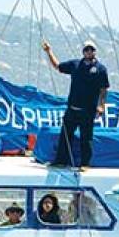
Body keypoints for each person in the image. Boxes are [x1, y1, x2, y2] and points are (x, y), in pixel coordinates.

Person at [41, 39, 109, 170]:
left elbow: (104, 89)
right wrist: (49, 51)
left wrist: (102, 105)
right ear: (83, 51)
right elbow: (58, 66)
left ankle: (85, 164)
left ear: (95, 51)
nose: (89, 52)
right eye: (86, 49)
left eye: (91, 49)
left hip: (87, 110)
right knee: (65, 136)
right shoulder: (75, 65)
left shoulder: (100, 69)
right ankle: (61, 161)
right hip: (72, 108)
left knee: (86, 138)